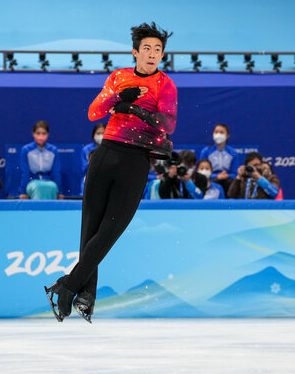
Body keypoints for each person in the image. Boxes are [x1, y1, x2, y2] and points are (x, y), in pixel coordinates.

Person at [45, 22, 177, 322]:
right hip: (106, 154)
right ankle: (85, 296)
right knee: (90, 227)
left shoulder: (166, 85)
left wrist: (136, 109)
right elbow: (94, 112)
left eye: (158, 49)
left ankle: (67, 286)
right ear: (135, 52)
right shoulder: (118, 77)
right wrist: (120, 97)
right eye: (147, 48)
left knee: (111, 229)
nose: (152, 53)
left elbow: (167, 125)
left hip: (136, 161)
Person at [19, 121, 64, 200]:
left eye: (44, 133)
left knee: (52, 187)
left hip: (50, 182)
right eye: (38, 133)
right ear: (33, 134)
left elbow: (56, 172)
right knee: (37, 188)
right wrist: (22, 192)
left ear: (48, 134)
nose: (41, 136)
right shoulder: (26, 150)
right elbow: (25, 172)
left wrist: (60, 192)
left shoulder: (53, 150)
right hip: (32, 182)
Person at [198, 124, 240, 194]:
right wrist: (216, 176)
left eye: (221, 132)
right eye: (216, 132)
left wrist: (227, 176)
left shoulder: (233, 153)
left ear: (227, 136)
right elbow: (200, 171)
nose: (218, 134)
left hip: (227, 180)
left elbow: (235, 173)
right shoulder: (206, 151)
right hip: (211, 178)